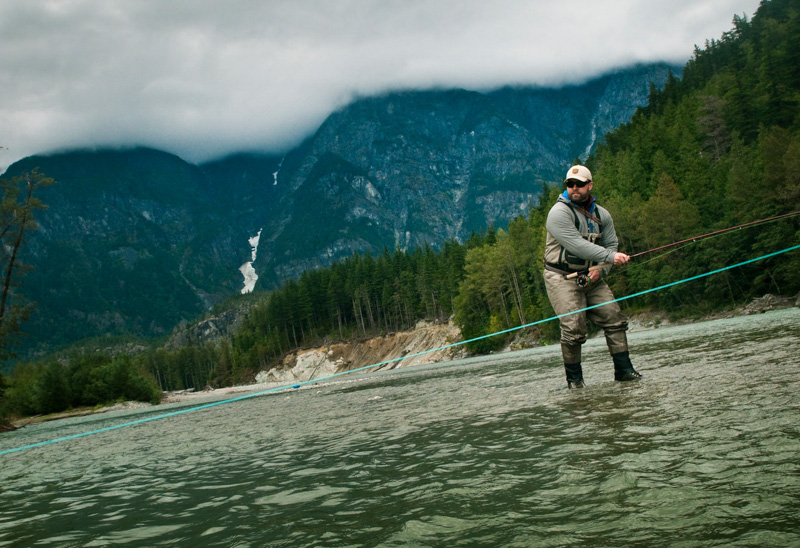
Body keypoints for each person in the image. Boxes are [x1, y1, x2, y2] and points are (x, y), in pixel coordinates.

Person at [543, 164, 642, 388]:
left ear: (590, 185)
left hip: (592, 276)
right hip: (560, 277)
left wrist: (602, 270)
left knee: (614, 317)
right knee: (573, 328)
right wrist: (610, 256)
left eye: (579, 184)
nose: (574, 188)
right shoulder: (557, 213)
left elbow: (611, 243)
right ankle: (575, 382)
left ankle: (624, 371)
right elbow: (576, 246)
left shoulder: (602, 215)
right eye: (570, 184)